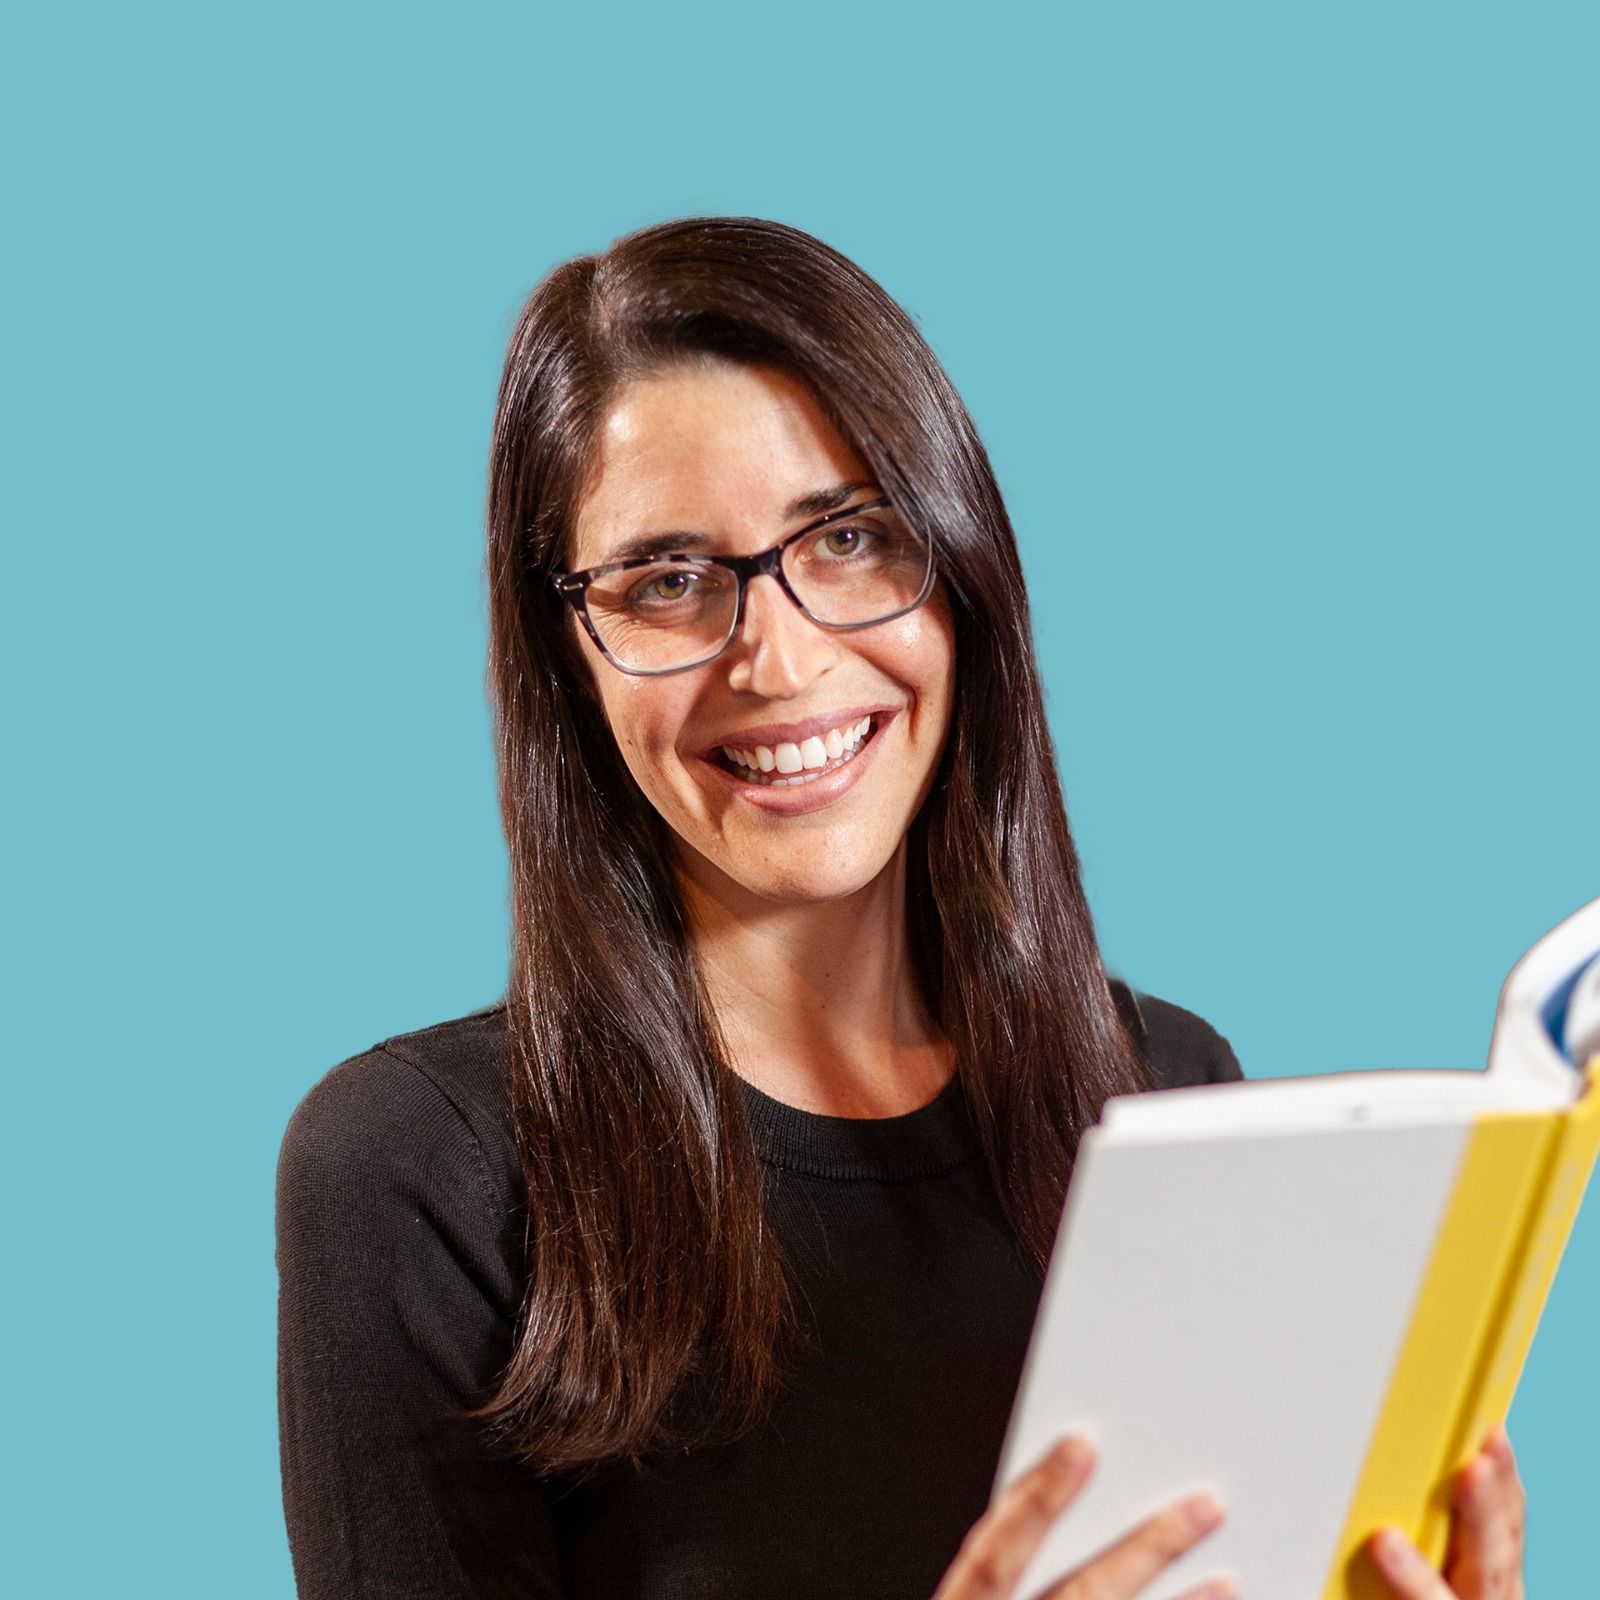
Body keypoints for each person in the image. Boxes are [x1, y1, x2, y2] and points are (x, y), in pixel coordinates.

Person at [275, 217, 1528, 1600]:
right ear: (569, 651)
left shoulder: (1166, 1090)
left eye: (852, 537)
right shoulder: (422, 1173)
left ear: (962, 564)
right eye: (668, 581)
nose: (778, 660)